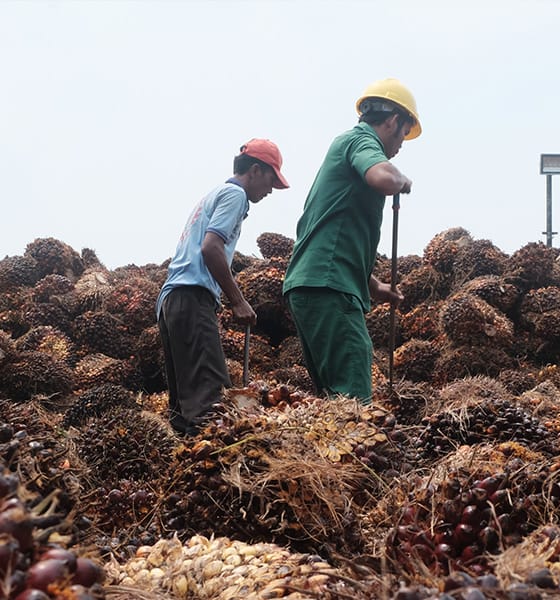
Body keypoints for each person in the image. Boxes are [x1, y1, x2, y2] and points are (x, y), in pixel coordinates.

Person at [282, 78, 421, 403]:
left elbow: (336, 240)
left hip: (316, 284)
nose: (401, 143)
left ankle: (328, 455)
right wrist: (401, 180)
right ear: (392, 120)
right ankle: (352, 454)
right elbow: (383, 177)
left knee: (335, 400)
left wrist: (374, 286)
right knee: (353, 396)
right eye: (403, 132)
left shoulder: (347, 147)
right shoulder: (361, 140)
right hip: (329, 289)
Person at [157, 139, 289, 435]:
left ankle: (186, 471)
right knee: (213, 407)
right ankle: (213, 479)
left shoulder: (213, 194)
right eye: (271, 180)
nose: (270, 190)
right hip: (192, 298)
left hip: (171, 302)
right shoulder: (235, 194)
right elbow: (211, 248)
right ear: (255, 170)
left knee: (184, 411)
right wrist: (238, 301)